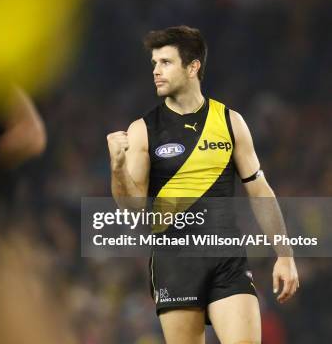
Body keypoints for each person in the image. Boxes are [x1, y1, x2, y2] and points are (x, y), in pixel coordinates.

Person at [106, 25, 299, 344]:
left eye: (165, 62)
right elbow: (132, 208)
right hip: (175, 262)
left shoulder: (230, 122)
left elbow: (260, 190)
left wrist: (285, 254)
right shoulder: (143, 130)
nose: (156, 71)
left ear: (193, 66)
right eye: (154, 63)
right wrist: (117, 168)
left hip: (228, 258)